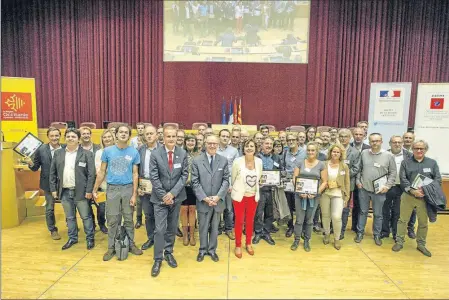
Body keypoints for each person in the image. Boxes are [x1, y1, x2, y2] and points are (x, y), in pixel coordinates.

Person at [93, 124, 143, 261]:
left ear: (129, 135)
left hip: (127, 189)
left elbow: (135, 174)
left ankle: (131, 244)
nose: (123, 134)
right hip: (112, 189)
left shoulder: (134, 152)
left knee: (128, 219)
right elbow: (102, 171)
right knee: (113, 219)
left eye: (126, 132)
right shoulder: (108, 151)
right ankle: (111, 247)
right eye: (121, 132)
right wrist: (95, 188)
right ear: (116, 134)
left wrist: (134, 194)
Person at [148, 125, 188, 277]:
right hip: (159, 199)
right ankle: (158, 258)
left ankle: (169, 252)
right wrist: (164, 195)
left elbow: (184, 175)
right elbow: (154, 176)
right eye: (168, 136)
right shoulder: (155, 154)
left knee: (171, 227)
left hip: (176, 197)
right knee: (159, 229)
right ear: (162, 138)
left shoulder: (182, 153)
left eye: (173, 136)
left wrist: (172, 194)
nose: (171, 139)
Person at [393, 140, 441, 257]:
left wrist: (425, 191)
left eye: (422, 148)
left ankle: (421, 244)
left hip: (425, 198)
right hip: (409, 195)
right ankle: (399, 241)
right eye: (416, 148)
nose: (419, 151)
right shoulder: (406, 162)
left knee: (423, 222)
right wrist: (412, 191)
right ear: (412, 149)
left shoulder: (432, 163)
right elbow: (403, 179)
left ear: (425, 150)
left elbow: (438, 180)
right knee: (402, 220)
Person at [49, 128, 95, 250]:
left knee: (86, 217)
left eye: (73, 137)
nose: (70, 138)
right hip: (64, 192)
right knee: (70, 217)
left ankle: (90, 238)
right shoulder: (58, 153)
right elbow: (52, 173)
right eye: (68, 136)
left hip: (81, 192)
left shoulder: (87, 154)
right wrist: (53, 189)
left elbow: (91, 174)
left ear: (78, 139)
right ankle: (72, 238)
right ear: (65, 138)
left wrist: (89, 191)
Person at [191, 135, 229, 262]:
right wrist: (205, 198)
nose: (212, 146)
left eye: (215, 143)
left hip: (217, 201)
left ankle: (212, 250)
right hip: (204, 201)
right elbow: (194, 182)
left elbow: (225, 180)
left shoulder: (223, 160)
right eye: (210, 143)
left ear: (218, 145)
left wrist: (218, 197)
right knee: (203, 227)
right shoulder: (197, 161)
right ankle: (202, 250)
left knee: (214, 228)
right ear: (205, 144)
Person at [355, 133, 397, 246]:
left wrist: (387, 186)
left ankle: (377, 234)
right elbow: (359, 169)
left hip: (379, 191)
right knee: (363, 212)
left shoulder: (388, 155)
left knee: (378, 214)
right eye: (372, 141)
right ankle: (360, 232)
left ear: (381, 141)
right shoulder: (364, 153)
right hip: (364, 188)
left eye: (377, 141)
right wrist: (358, 181)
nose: (375, 143)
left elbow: (393, 173)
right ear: (369, 141)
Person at [25, 127, 63, 240]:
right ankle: (53, 230)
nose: (54, 138)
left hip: (64, 183)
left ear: (60, 136)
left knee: (69, 207)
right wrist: (30, 163)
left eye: (56, 135)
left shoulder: (65, 148)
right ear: (48, 137)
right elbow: (35, 168)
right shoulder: (41, 150)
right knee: (50, 208)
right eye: (52, 136)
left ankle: (70, 226)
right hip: (48, 184)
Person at [290, 142, 328, 252]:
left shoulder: (321, 164)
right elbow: (294, 178)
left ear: (316, 152)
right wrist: (299, 189)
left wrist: (316, 193)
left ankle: (307, 240)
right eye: (309, 150)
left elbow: (324, 182)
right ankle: (296, 240)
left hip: (313, 197)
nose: (310, 152)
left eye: (313, 150)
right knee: (299, 220)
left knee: (309, 220)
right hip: (300, 195)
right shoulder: (300, 162)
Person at [231, 139, 263, 258]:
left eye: (251, 146)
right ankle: (238, 245)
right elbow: (233, 177)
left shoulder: (259, 162)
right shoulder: (237, 161)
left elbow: (259, 177)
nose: (249, 148)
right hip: (239, 196)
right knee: (239, 221)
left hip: (253, 196)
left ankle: (248, 243)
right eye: (246, 146)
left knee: (250, 221)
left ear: (255, 148)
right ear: (243, 149)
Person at [381, 135, 415, 241]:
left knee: (398, 212)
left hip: (401, 187)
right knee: (385, 210)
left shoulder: (409, 156)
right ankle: (385, 231)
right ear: (390, 143)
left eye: (399, 142)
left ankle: (396, 233)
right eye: (394, 142)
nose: (397, 144)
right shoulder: (384, 154)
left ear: (402, 143)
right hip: (386, 186)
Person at [253, 136, 282, 245]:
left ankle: (266, 232)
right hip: (259, 189)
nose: (269, 146)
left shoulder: (277, 158)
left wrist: (279, 179)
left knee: (270, 213)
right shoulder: (256, 157)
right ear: (262, 145)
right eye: (266, 143)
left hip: (272, 190)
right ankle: (258, 232)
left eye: (270, 144)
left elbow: (280, 171)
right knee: (259, 212)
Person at [321, 144, 350, 250]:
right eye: (334, 151)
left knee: (336, 217)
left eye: (338, 152)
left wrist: (346, 197)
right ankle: (327, 234)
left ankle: (337, 239)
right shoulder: (324, 164)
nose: (335, 154)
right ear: (330, 152)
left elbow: (347, 182)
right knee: (325, 216)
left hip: (338, 194)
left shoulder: (344, 166)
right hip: (325, 193)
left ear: (341, 154)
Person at [137, 125, 160, 251]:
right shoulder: (140, 150)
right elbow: (136, 169)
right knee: (148, 215)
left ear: (157, 135)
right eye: (147, 134)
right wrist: (138, 187)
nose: (150, 136)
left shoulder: (163, 149)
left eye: (152, 133)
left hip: (160, 187)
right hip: (145, 187)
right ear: (144, 136)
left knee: (160, 215)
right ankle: (151, 237)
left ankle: (160, 238)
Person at [338, 129, 360, 240]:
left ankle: (341, 230)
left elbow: (356, 168)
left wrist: (343, 176)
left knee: (344, 208)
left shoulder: (355, 152)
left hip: (347, 184)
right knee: (335, 207)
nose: (343, 138)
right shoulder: (335, 150)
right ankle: (334, 228)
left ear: (350, 137)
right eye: (341, 136)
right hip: (334, 184)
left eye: (345, 136)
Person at [217, 129, 239, 240]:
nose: (225, 138)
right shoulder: (214, 149)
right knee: (216, 207)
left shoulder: (234, 151)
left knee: (229, 209)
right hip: (216, 183)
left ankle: (229, 229)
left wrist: (232, 184)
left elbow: (236, 169)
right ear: (219, 137)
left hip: (229, 183)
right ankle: (216, 228)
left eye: (227, 136)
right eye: (223, 136)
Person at [283, 133, 306, 238]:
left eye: (293, 140)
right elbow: (284, 166)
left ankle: (300, 227)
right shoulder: (285, 153)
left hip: (300, 182)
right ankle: (290, 226)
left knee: (300, 206)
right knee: (289, 206)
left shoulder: (304, 153)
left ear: (297, 141)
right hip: (288, 183)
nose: (291, 142)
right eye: (289, 140)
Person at [93, 129, 115, 234]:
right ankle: (101, 224)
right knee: (101, 209)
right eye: (104, 137)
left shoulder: (118, 150)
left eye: (109, 137)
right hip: (103, 185)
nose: (107, 139)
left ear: (113, 138)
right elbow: (99, 169)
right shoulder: (99, 152)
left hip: (116, 186)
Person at [180, 134, 200, 246]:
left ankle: (192, 235)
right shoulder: (180, 153)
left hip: (194, 186)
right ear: (185, 142)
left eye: (193, 141)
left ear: (195, 142)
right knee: (183, 210)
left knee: (192, 210)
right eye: (188, 141)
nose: (190, 143)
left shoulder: (200, 154)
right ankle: (185, 235)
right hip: (182, 186)